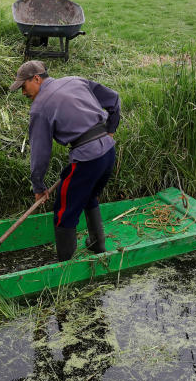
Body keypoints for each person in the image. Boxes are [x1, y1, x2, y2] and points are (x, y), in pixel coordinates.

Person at [9, 60, 120, 262]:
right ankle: (97, 244)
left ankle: (64, 265)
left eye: (23, 87)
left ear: (36, 79)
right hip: (108, 152)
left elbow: (40, 152)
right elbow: (114, 99)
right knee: (89, 196)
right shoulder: (75, 80)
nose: (23, 93)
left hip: (87, 160)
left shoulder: (40, 107)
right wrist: (111, 129)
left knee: (63, 211)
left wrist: (38, 185)